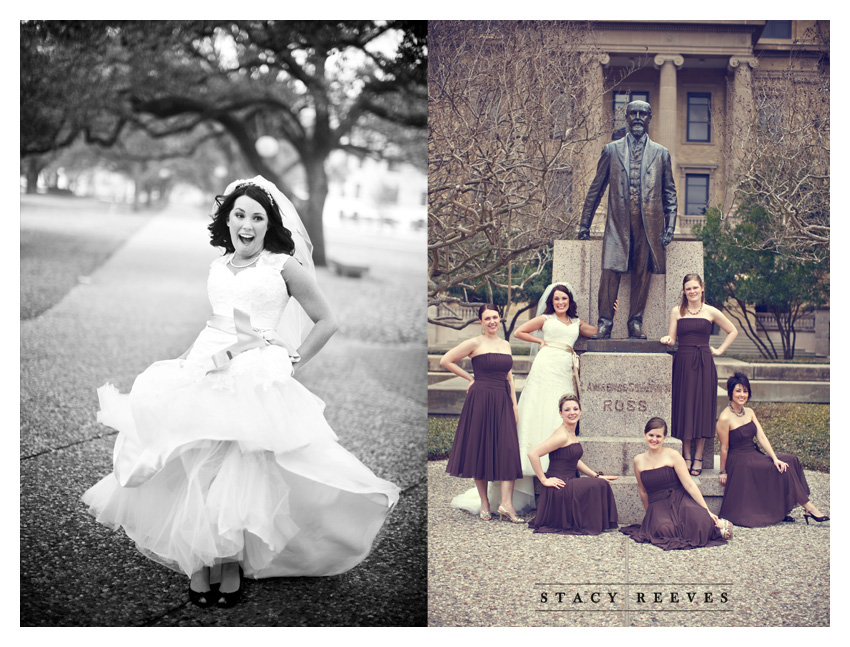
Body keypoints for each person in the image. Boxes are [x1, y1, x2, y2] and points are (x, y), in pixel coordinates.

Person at [82, 176, 400, 609]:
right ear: (227, 220)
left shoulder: (283, 266)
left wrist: (291, 360)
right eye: (239, 215)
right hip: (209, 361)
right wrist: (185, 362)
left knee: (240, 462)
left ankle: (229, 560)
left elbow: (328, 320)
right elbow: (217, 322)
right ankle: (200, 555)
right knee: (198, 456)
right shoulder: (219, 266)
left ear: (270, 225)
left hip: (256, 369)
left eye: (257, 217)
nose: (247, 225)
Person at [578, 100, 678, 340]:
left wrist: (670, 225)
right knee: (610, 273)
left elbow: (669, 193)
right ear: (626, 117)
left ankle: (635, 322)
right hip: (617, 225)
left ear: (649, 118)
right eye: (633, 113)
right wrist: (584, 224)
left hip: (648, 227)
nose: (637, 118)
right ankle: (605, 323)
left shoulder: (661, 153)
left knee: (642, 275)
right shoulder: (611, 150)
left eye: (642, 114)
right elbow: (596, 188)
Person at [510, 283, 612, 510]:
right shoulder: (545, 319)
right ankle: (535, 462)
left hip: (565, 367)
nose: (560, 303)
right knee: (541, 407)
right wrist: (540, 341)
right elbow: (519, 332)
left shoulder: (576, 323)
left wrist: (612, 313)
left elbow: (597, 332)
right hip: (546, 365)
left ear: (569, 301)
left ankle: (556, 462)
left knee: (561, 414)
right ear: (551, 301)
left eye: (563, 299)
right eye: (556, 299)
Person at [443, 305, 525, 523]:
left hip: (502, 399)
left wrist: (514, 405)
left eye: (495, 317)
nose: (492, 322)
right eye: (487, 318)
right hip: (480, 399)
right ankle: (485, 503)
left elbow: (509, 376)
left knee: (507, 449)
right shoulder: (475, 343)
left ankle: (506, 505)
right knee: (480, 448)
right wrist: (470, 378)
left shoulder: (505, 344)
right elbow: (446, 360)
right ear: (481, 321)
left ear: (500, 319)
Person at [717, 372, 829, 527]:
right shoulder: (724, 418)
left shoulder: (749, 412)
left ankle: (783, 509)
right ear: (731, 393)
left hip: (753, 453)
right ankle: (809, 508)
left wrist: (775, 458)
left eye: (745, 391)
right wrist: (723, 471)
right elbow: (724, 447)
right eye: (738, 391)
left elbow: (761, 437)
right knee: (781, 469)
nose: (742, 395)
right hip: (739, 460)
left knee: (790, 460)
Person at [660, 273, 737, 476]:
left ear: (702, 288)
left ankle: (699, 457)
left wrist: (719, 350)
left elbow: (733, 331)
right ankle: (686, 456)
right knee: (685, 407)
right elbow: (673, 338)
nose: (692, 291)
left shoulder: (711, 311)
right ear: (684, 291)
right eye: (688, 289)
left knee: (702, 408)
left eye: (695, 287)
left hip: (704, 362)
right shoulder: (677, 311)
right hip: (683, 362)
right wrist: (667, 339)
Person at [620, 417, 730, 550]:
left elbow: (689, 484)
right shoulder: (638, 460)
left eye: (658, 436)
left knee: (700, 522)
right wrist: (650, 514)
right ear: (645, 434)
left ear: (664, 438)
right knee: (665, 530)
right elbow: (642, 490)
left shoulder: (673, 455)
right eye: (651, 435)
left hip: (679, 499)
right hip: (657, 504)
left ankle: (715, 526)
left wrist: (707, 511)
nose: (654, 439)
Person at [527, 395, 618, 535]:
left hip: (569, 481)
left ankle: (591, 522)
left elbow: (574, 460)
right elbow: (533, 454)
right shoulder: (562, 435)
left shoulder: (571, 432)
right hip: (560, 486)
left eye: (575, 409)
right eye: (567, 410)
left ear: (580, 411)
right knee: (600, 485)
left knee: (600, 482)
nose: (572, 412)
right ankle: (590, 524)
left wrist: (596, 475)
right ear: (560, 413)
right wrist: (544, 480)